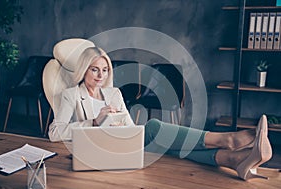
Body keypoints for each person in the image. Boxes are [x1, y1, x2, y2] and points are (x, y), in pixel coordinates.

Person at [48, 47, 272, 181]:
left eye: (104, 70)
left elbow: (129, 125)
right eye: (94, 69)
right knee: (155, 128)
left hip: (124, 143)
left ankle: (232, 160)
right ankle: (227, 141)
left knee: (165, 141)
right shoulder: (71, 95)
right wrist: (94, 121)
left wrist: (119, 124)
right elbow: (54, 132)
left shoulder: (113, 93)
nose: (100, 75)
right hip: (98, 149)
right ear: (84, 69)